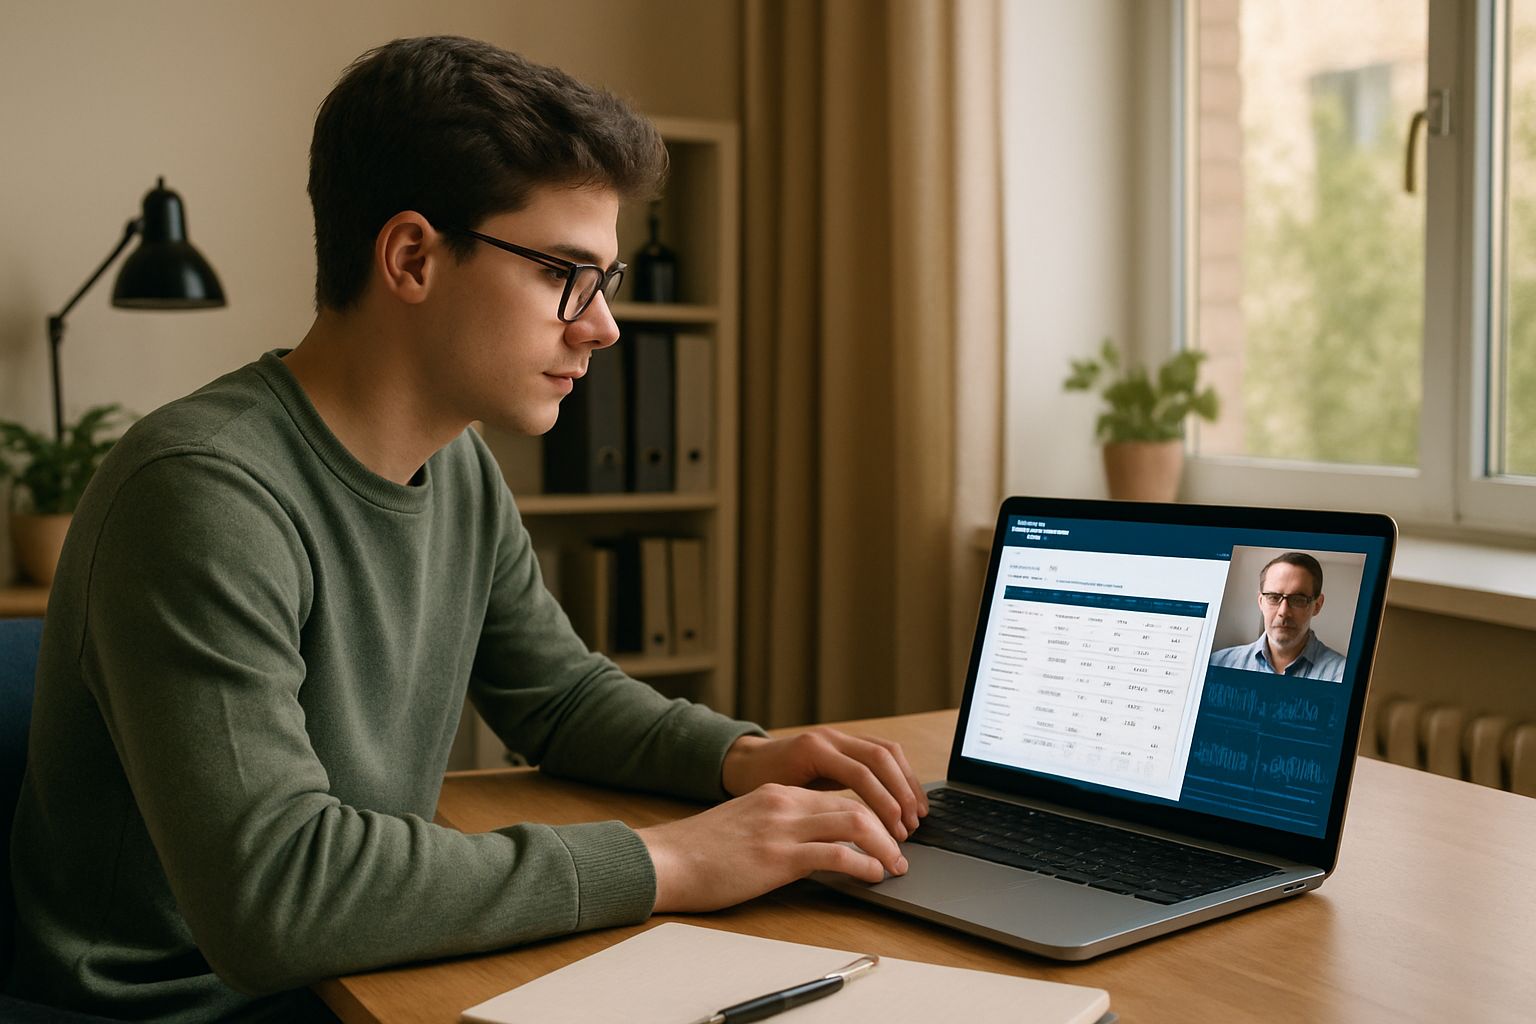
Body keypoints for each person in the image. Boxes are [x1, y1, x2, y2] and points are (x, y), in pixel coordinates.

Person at [8, 37, 926, 1022]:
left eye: (606, 278)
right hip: (184, 1004)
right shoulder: (201, 491)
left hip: (345, 970)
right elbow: (277, 897)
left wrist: (743, 757)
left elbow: (559, 698)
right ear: (411, 256)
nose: (604, 325)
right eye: (566, 273)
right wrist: (674, 857)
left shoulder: (456, 465)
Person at [1209, 552, 1346, 682]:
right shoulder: (1218, 664)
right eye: (1274, 597)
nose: (1284, 612)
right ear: (1261, 602)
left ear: (1317, 605)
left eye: (1298, 599)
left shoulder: (1342, 674)